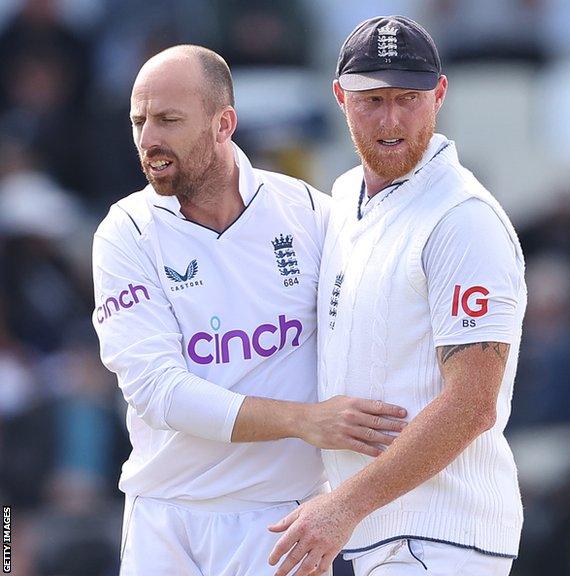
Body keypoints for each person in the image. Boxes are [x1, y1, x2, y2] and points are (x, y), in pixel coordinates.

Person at [91, 45, 409, 575]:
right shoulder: (127, 231)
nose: (149, 141)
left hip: (282, 523)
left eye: (169, 120)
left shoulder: (307, 213)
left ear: (224, 123)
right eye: (138, 121)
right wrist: (308, 422)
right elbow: (158, 392)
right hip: (163, 520)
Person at [267, 16, 527, 576]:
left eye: (409, 98)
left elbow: (473, 404)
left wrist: (343, 505)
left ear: (440, 95)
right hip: (370, 537)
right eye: (372, 99)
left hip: (442, 537)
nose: (392, 120)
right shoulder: (343, 198)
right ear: (339, 96)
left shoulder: (463, 219)